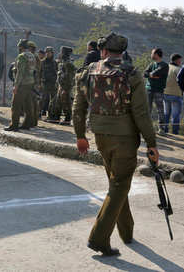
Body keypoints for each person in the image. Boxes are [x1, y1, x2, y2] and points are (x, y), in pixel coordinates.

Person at [73, 32, 158, 257]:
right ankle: (99, 238)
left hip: (100, 135)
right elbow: (141, 114)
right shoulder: (132, 74)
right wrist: (152, 143)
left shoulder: (87, 72)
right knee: (120, 184)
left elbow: (78, 108)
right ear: (123, 52)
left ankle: (126, 231)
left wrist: (80, 136)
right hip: (125, 139)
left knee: (117, 183)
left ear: (103, 51)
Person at [5, 39, 36, 131]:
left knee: (15, 106)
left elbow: (20, 72)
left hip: (22, 84)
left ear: (21, 47)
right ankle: (27, 124)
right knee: (28, 105)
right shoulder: (32, 55)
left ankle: (14, 125)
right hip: (30, 83)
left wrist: (16, 86)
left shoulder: (21, 56)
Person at [143, 48, 169, 133]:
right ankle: (147, 127)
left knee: (160, 109)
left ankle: (161, 128)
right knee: (148, 109)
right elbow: (145, 74)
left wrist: (151, 75)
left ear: (157, 54)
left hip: (158, 90)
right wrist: (152, 75)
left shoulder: (164, 65)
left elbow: (155, 73)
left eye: (152, 53)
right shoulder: (151, 64)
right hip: (149, 89)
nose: (151, 55)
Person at [47, 46, 75, 124]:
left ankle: (67, 119)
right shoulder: (63, 63)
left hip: (65, 87)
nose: (60, 53)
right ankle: (56, 118)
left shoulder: (68, 64)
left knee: (66, 103)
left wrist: (65, 89)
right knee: (57, 102)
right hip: (61, 86)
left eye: (62, 52)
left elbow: (69, 78)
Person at [22, 40, 41, 128]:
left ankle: (31, 122)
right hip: (34, 82)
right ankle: (33, 122)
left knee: (31, 103)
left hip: (32, 82)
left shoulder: (33, 57)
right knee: (33, 103)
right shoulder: (34, 57)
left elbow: (34, 70)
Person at [163, 53, 183, 135]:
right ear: (177, 60)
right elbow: (182, 81)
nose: (181, 62)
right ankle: (175, 133)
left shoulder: (165, 67)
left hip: (165, 93)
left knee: (166, 114)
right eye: (180, 60)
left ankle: (164, 130)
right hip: (176, 94)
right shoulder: (178, 69)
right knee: (175, 115)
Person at [40, 46, 57, 117]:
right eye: (47, 52)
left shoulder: (54, 62)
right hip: (44, 83)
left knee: (53, 99)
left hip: (53, 83)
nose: (48, 54)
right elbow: (39, 72)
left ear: (52, 53)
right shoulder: (42, 62)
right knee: (44, 98)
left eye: (49, 52)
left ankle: (51, 114)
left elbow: (57, 72)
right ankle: (42, 112)